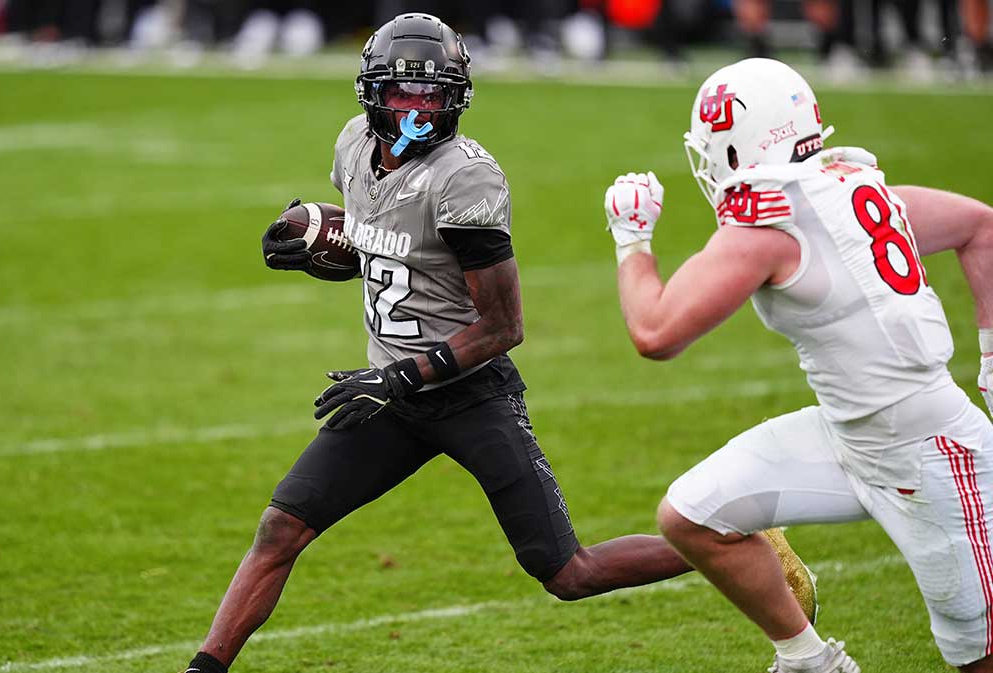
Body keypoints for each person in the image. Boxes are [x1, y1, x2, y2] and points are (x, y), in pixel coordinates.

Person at [183, 16, 817, 673]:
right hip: (393, 392)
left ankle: (740, 544)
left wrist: (401, 377)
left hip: (466, 393)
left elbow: (502, 325)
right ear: (372, 95)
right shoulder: (352, 146)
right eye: (404, 94)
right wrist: (316, 234)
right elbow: (383, 250)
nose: (419, 110)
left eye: (434, 95)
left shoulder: (466, 179)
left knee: (569, 571)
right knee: (280, 528)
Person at [603, 56, 993, 672]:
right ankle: (810, 660)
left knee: (978, 657)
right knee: (693, 515)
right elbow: (980, 226)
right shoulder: (850, 183)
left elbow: (655, 332)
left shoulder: (767, 223)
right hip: (851, 434)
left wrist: (632, 239)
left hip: (932, 453)